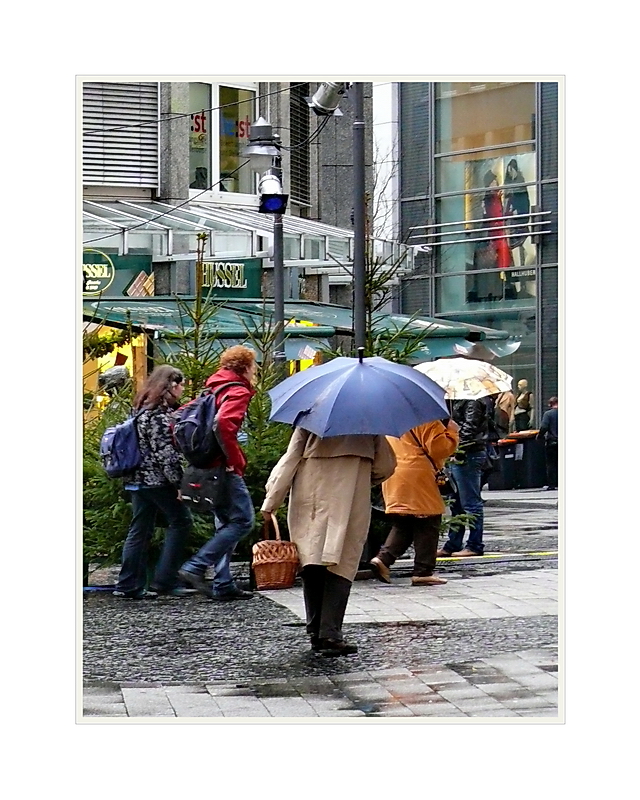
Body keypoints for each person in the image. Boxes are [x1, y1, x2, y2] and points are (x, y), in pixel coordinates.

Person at [261, 428, 396, 656]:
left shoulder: (311, 420)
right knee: (342, 561)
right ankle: (331, 633)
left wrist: (271, 500)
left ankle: (315, 629)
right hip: (351, 498)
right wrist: (363, 475)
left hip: (310, 495)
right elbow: (386, 467)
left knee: (311, 559)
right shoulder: (368, 425)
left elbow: (291, 458)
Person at [179, 346, 257, 601]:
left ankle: (223, 583)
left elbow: (179, 417)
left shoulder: (213, 388)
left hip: (208, 465)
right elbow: (223, 424)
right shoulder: (237, 390)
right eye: (253, 366)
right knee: (243, 520)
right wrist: (236, 461)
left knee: (224, 522)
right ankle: (197, 566)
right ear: (245, 367)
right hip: (223, 466)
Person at [113, 365, 193, 599]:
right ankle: (164, 580)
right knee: (180, 522)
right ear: (171, 386)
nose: (182, 389)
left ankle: (128, 584)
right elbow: (164, 454)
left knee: (140, 529)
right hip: (156, 481)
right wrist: (179, 484)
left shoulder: (139, 409)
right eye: (180, 384)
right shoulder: (158, 414)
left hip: (136, 479)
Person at [369, 418, 459, 587]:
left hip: (395, 474)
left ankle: (382, 559)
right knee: (428, 521)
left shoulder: (393, 419)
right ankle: (423, 572)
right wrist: (452, 432)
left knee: (404, 523)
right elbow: (438, 449)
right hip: (418, 475)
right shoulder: (427, 420)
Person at [437, 397, 489, 558]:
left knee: (470, 502)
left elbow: (469, 427)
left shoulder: (472, 401)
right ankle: (453, 544)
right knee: (457, 503)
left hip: (468, 454)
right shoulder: (458, 401)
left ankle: (474, 545)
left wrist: (457, 448)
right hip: (461, 454)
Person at [537, 396, 558, 490]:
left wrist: (539, 436)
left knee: (551, 464)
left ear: (550, 404)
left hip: (553, 442)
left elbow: (544, 427)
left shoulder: (548, 414)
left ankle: (552, 484)